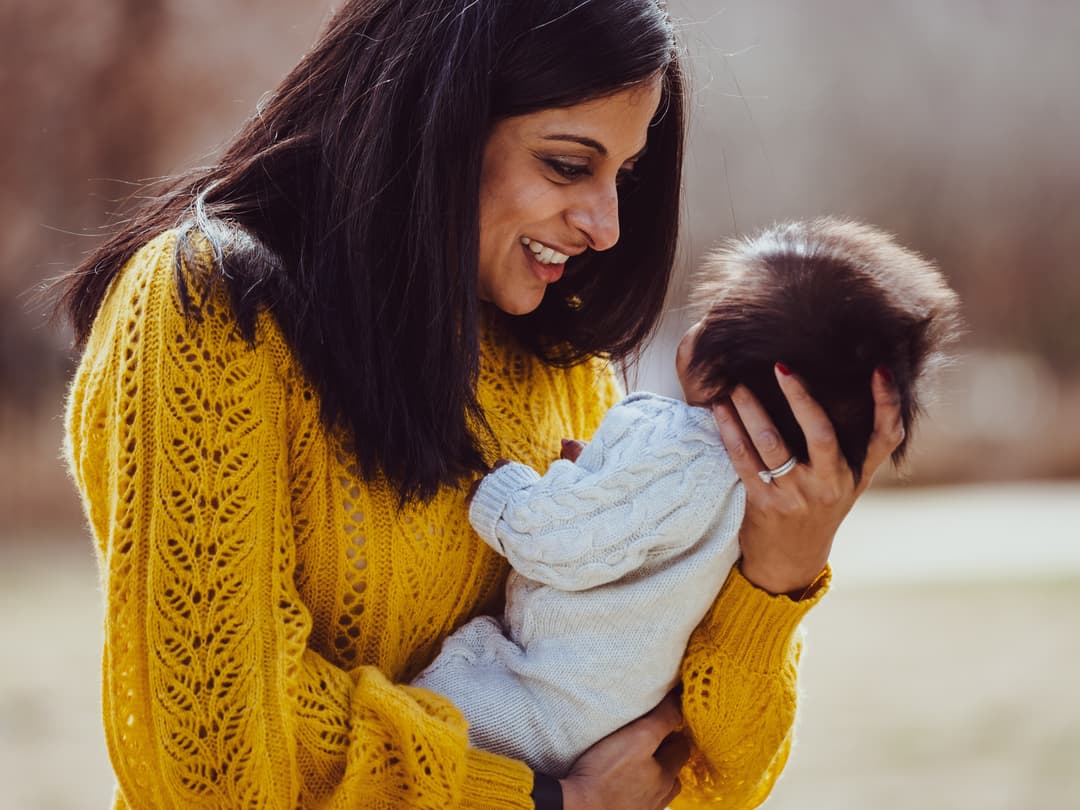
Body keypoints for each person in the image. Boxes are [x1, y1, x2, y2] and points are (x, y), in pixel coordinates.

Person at [57, 2, 906, 808]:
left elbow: (702, 773)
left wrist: (779, 574)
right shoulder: (208, 305)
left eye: (625, 173)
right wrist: (539, 798)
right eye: (568, 164)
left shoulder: (557, 360)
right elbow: (215, 758)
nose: (608, 224)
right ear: (437, 125)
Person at [412, 218, 961, 778]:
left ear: (719, 361)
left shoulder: (680, 449)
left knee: (420, 745)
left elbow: (554, 539)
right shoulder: (757, 498)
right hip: (599, 718)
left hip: (535, 701)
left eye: (712, 315)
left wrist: (502, 487)